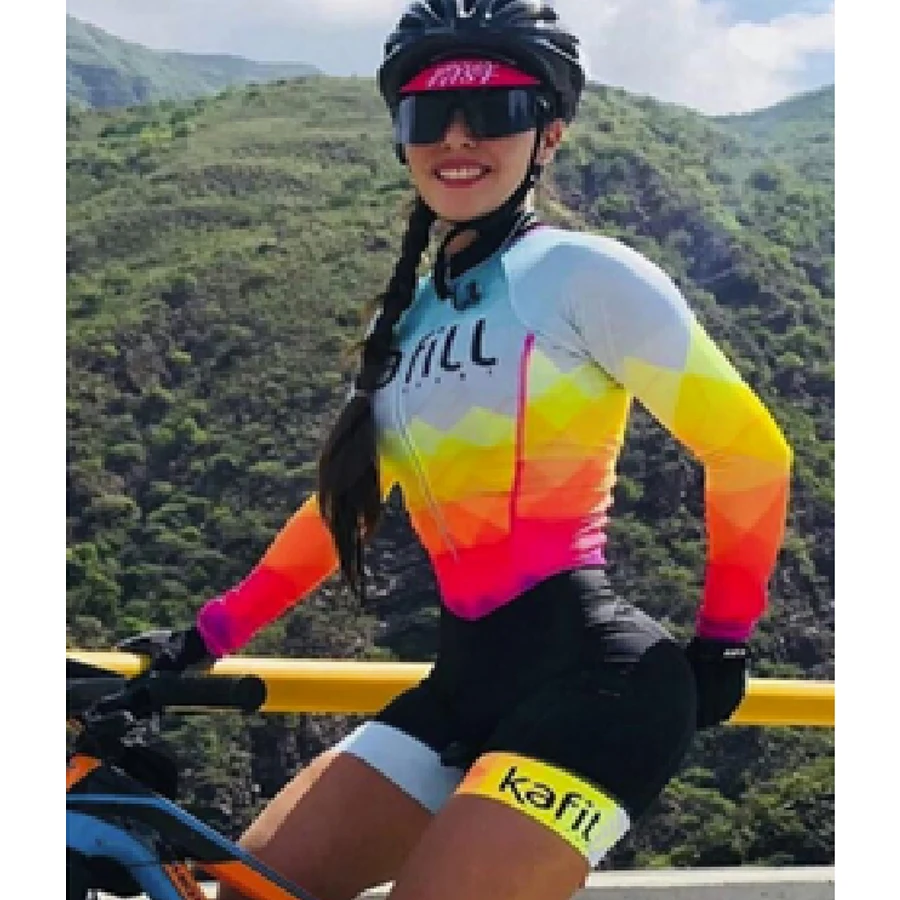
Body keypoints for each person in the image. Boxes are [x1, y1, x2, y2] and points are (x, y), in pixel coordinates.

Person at [123, 2, 793, 898]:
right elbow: (345, 511)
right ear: (403, 137)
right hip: (463, 683)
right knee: (248, 891)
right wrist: (207, 635)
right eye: (431, 113)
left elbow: (750, 452)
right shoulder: (403, 322)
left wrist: (724, 642)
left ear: (548, 134)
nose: (459, 137)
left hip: (599, 687)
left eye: (497, 110)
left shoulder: (586, 275)